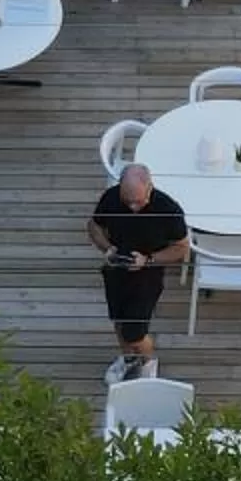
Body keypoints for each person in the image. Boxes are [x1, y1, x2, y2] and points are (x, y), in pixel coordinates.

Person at [87, 162, 189, 381]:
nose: (133, 207)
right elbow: (94, 226)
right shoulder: (111, 198)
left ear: (150, 187)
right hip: (116, 269)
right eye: (128, 201)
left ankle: (148, 363)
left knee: (135, 333)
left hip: (147, 277)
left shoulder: (168, 209)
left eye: (138, 201)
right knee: (119, 320)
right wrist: (107, 248)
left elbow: (181, 248)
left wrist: (148, 259)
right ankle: (128, 359)